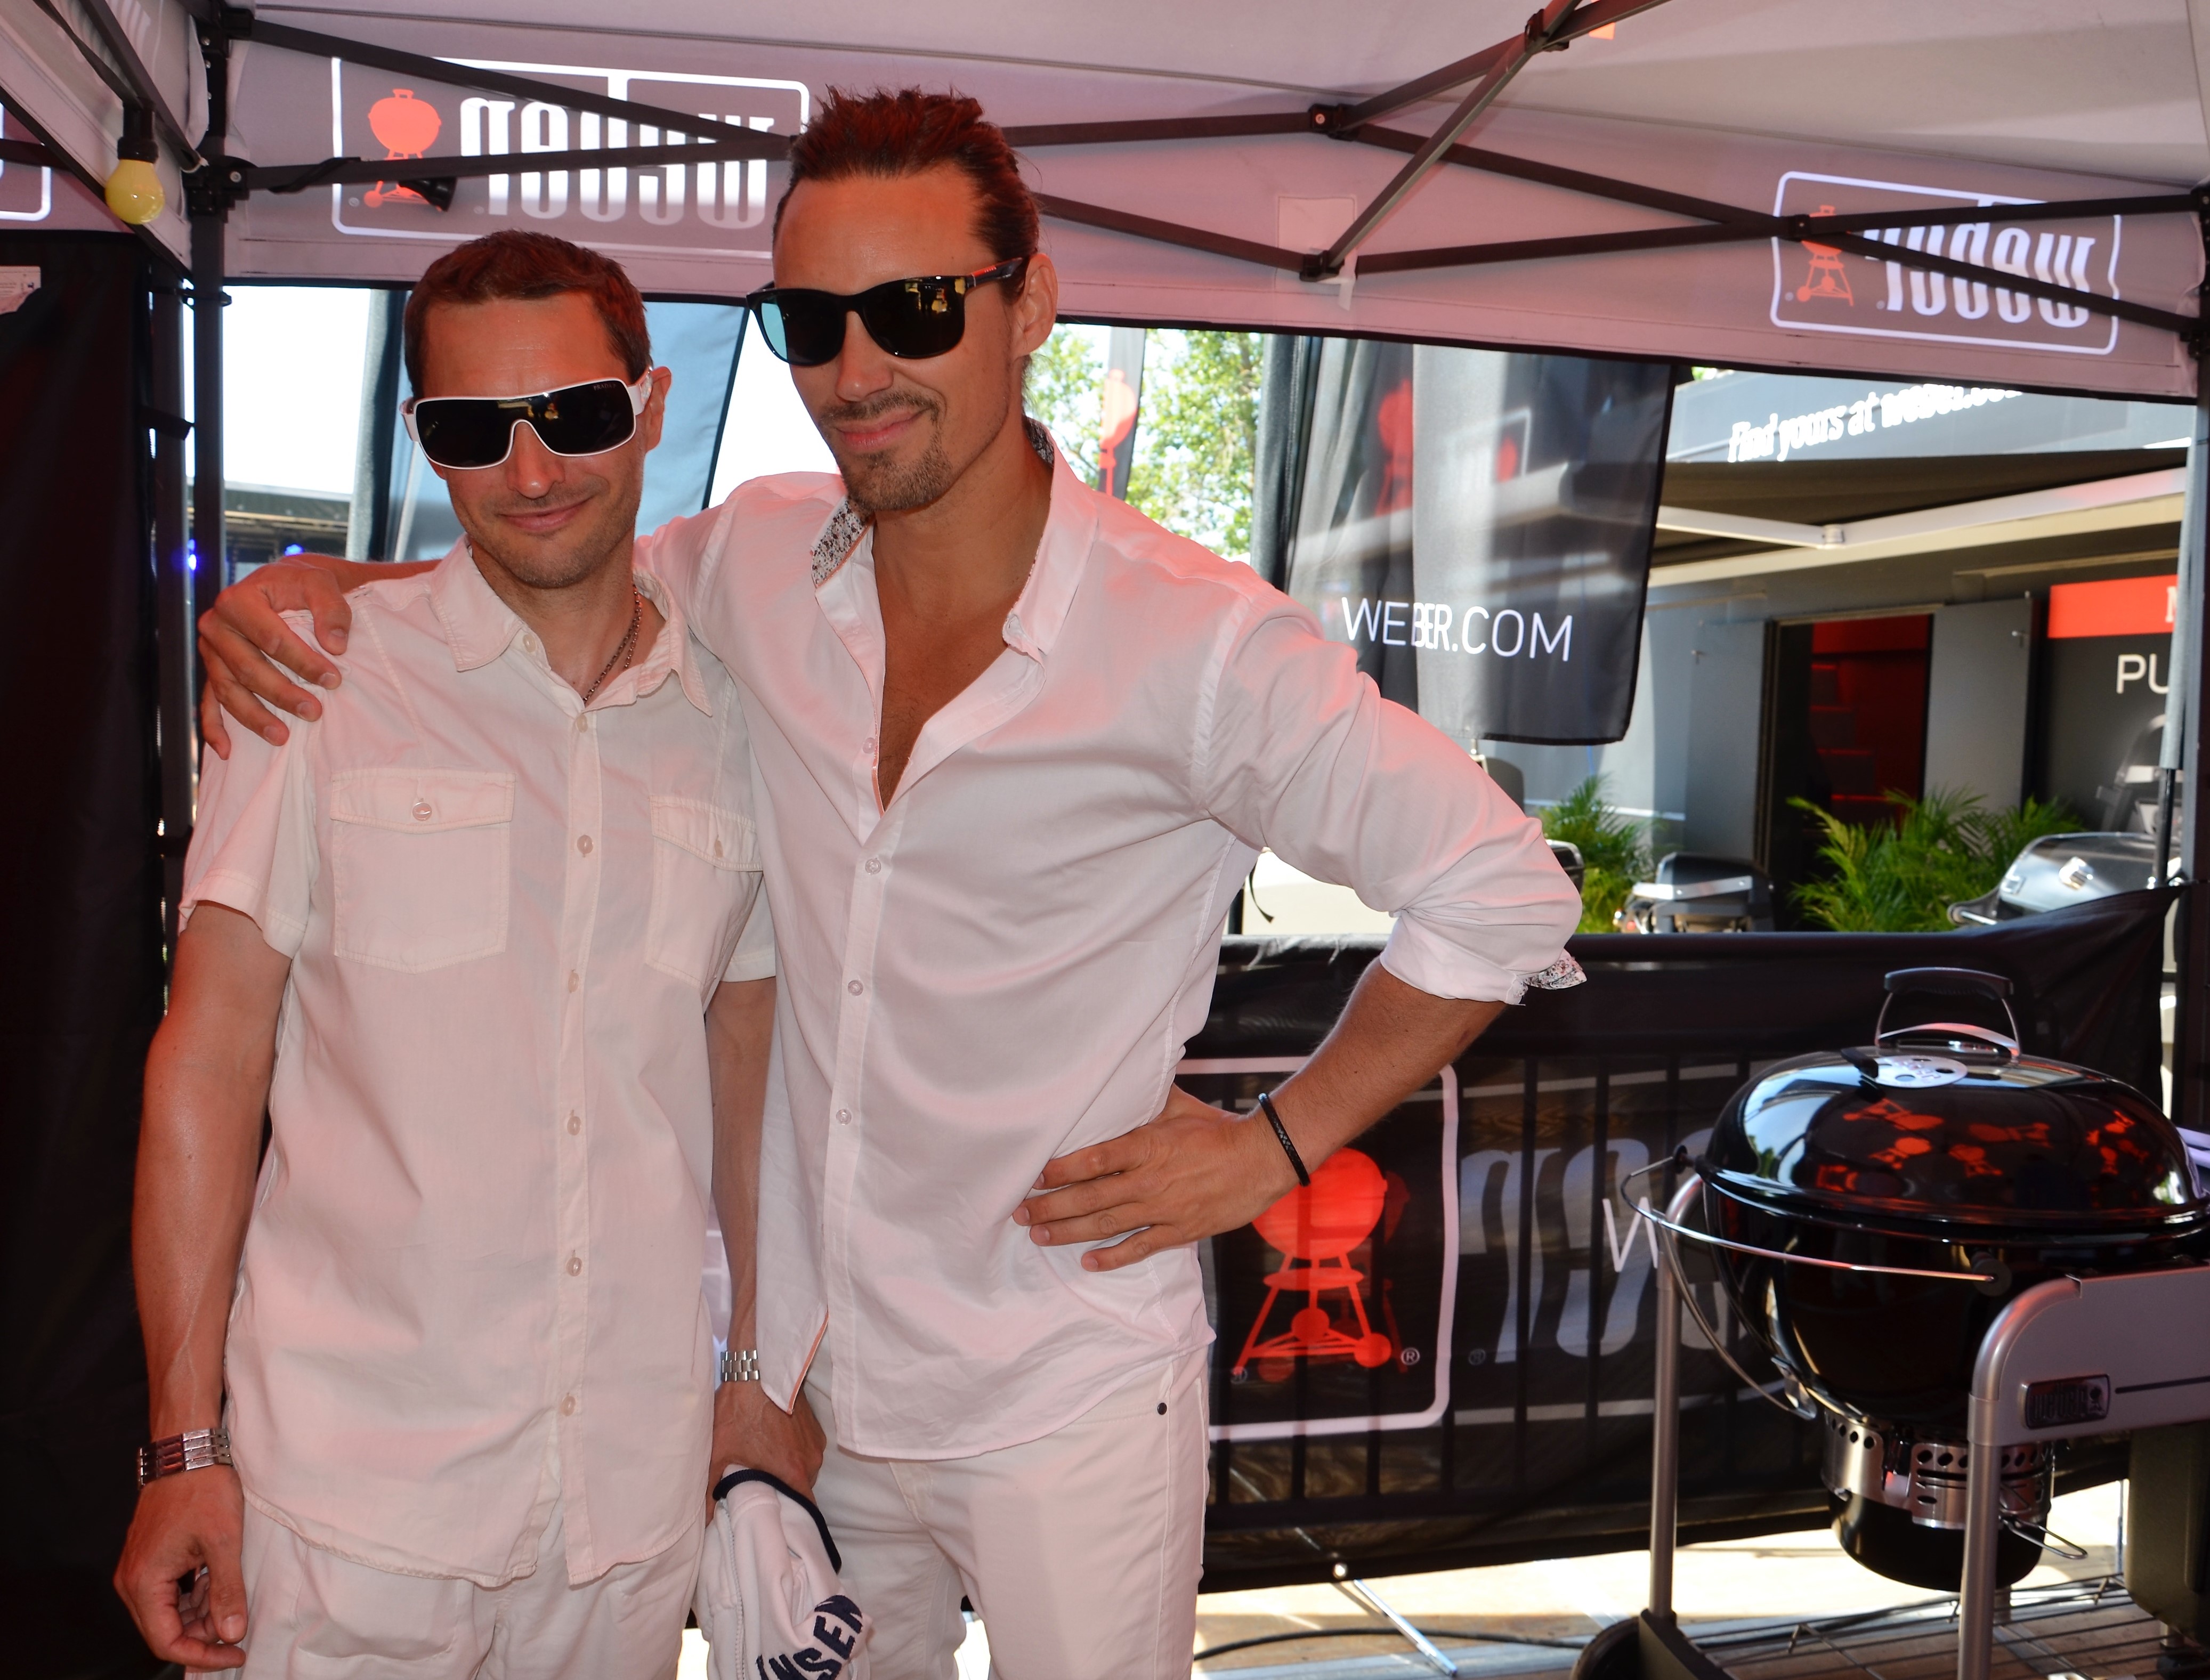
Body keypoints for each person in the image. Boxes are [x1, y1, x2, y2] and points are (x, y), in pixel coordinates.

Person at [196, 90, 1584, 1679]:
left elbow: (1499, 888)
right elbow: (545, 551)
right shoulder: (757, 564)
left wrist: (1271, 1145)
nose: (855, 371)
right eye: (812, 321)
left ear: (1028, 304)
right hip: (822, 1394)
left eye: (913, 309)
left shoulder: (1197, 644)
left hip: (1060, 1379)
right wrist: (318, 591)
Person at [114, 231, 804, 1677]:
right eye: (476, 430)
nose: (533, 468)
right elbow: (208, 1058)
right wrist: (183, 1445)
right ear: (424, 437)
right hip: (343, 1503)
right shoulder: (317, 679)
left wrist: (753, 1367)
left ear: (652, 405)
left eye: (577, 413)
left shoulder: (736, 722)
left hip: (625, 1505)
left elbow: (745, 1065)